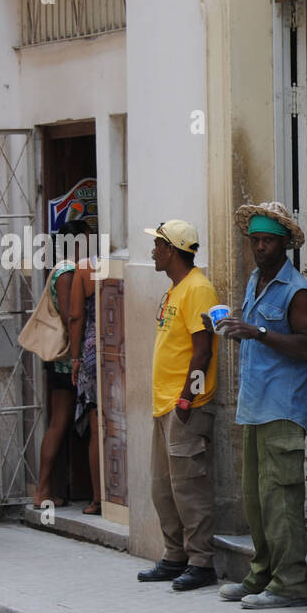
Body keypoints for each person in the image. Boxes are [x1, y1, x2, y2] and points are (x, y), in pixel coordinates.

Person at [217, 203, 307, 610]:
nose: (260, 247)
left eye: (268, 241)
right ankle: (261, 574)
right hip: (255, 404)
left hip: (283, 406)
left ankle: (290, 582)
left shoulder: (298, 292)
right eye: (255, 240)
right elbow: (259, 334)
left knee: (281, 498)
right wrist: (239, 330)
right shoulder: (255, 281)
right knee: (256, 500)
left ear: (284, 245)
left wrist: (257, 331)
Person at [136, 219, 220, 591]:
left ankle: (201, 562)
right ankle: (175, 556)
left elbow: (204, 348)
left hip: (184, 403)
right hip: (164, 403)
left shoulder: (198, 289)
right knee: (162, 487)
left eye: (157, 245)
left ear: (171, 250)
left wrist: (188, 396)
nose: (153, 251)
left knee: (188, 486)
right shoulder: (175, 289)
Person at [32, 222, 81, 509]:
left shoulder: (63, 268)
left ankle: (48, 488)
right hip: (64, 360)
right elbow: (68, 315)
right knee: (60, 422)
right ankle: (43, 490)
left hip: (63, 359)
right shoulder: (66, 271)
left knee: (60, 422)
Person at [66, 221, 101, 515]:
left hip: (92, 348)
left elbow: (76, 316)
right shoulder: (113, 263)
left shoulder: (83, 268)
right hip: (119, 344)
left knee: (96, 424)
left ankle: (98, 498)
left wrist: (75, 357)